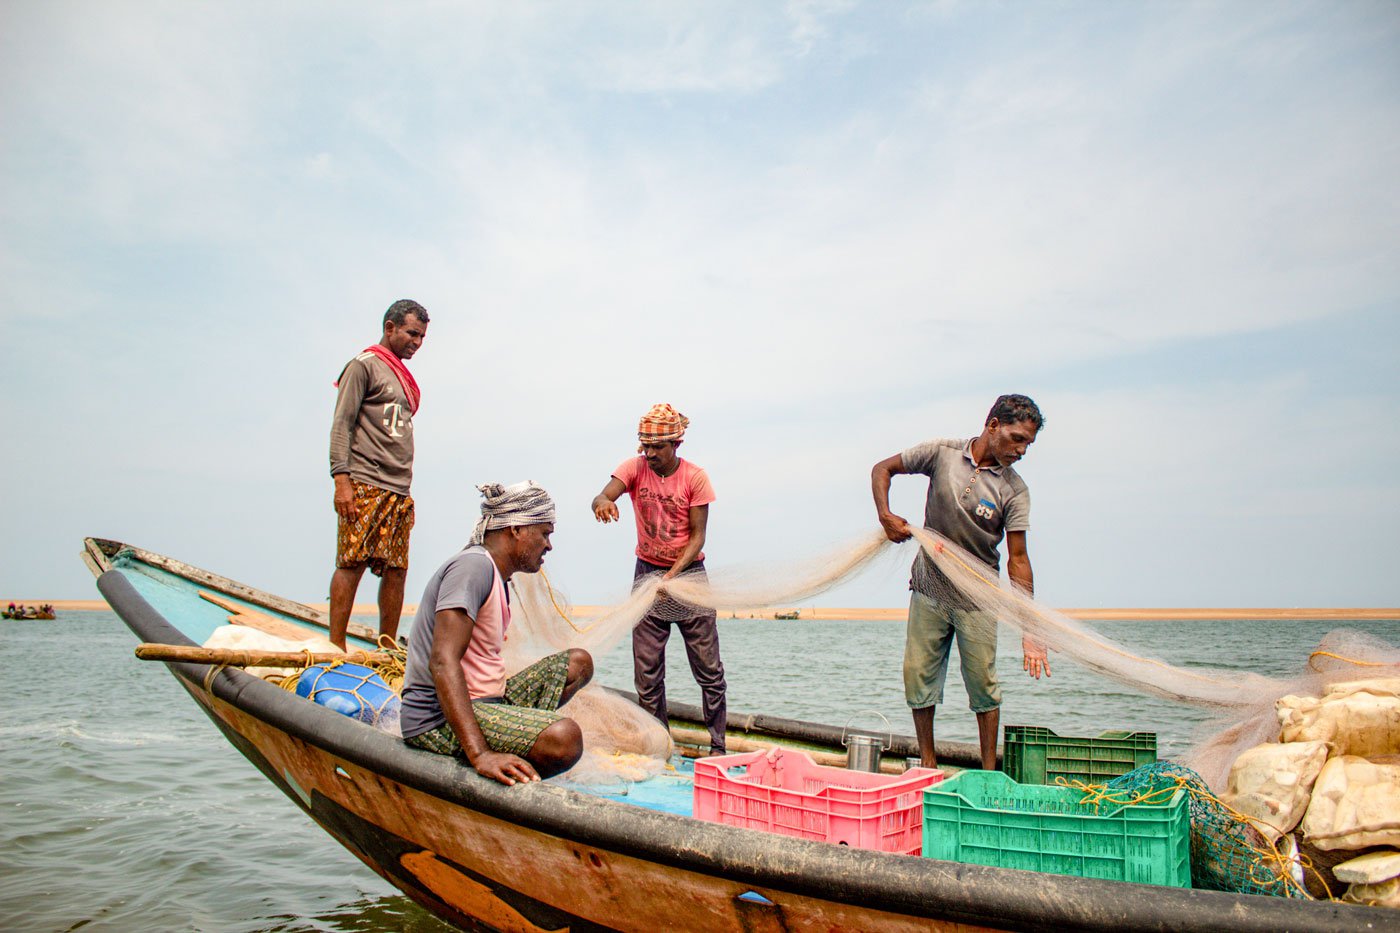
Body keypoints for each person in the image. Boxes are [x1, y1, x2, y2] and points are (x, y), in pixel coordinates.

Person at [870, 393, 1050, 771]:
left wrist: (1029, 628)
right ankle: (929, 764)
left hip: (978, 599)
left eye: (1028, 445)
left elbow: (1018, 559)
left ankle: (987, 771)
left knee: (983, 685)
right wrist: (885, 516)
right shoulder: (942, 453)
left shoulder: (1014, 491)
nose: (1022, 451)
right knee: (917, 677)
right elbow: (882, 469)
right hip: (929, 587)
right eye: (1017, 439)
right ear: (993, 425)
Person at [400, 481, 593, 785]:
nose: (549, 545)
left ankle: (514, 749)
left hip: (487, 703)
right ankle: (494, 761)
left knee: (578, 663)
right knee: (565, 738)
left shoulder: (498, 577)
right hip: (436, 718)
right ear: (516, 529)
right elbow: (442, 661)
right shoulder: (473, 568)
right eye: (544, 533)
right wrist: (480, 755)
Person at [592, 403, 727, 756]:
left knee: (708, 668)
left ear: (675, 445)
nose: (649, 454)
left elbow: (697, 537)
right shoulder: (634, 469)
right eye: (645, 446)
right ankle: (660, 745)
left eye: (657, 447)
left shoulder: (695, 478)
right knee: (647, 672)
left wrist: (671, 576)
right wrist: (602, 503)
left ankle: (717, 746)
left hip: (689, 578)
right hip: (647, 574)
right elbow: (604, 493)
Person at [327, 299, 429, 651]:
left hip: (398, 486)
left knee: (396, 569)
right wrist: (342, 481)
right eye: (411, 333)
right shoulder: (363, 366)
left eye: (421, 337)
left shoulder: (401, 377)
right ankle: (336, 645)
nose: (416, 342)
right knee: (351, 561)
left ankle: (386, 645)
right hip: (363, 480)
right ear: (390, 328)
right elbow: (341, 424)